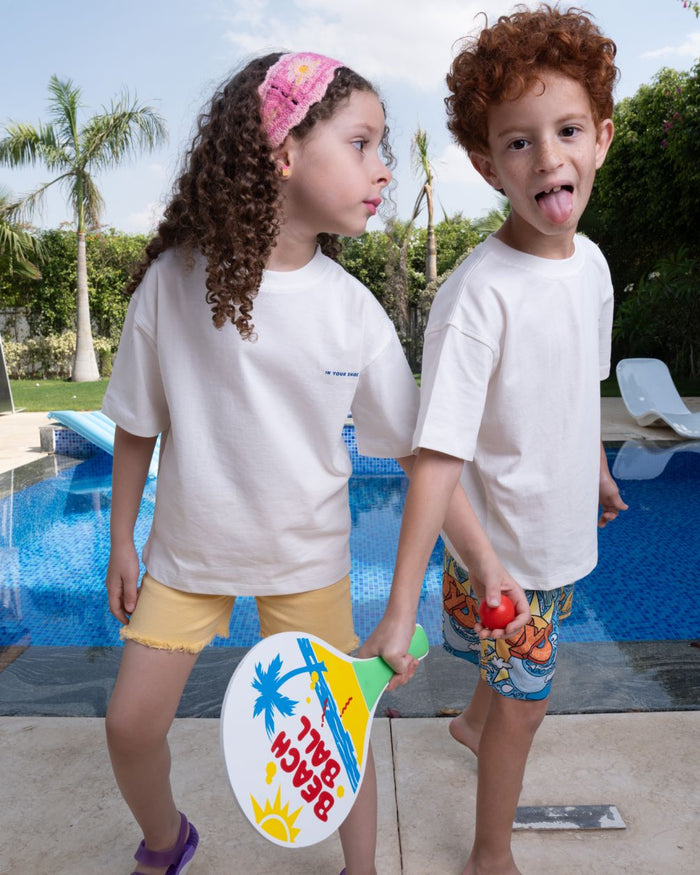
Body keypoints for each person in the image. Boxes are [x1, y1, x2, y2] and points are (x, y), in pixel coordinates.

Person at [102, 51, 420, 875]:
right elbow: (137, 422)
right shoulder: (173, 283)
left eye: (382, 147)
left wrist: (465, 563)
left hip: (307, 559)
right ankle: (167, 840)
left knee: (337, 739)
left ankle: (361, 869)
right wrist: (122, 538)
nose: (384, 169)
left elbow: (417, 453)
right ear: (284, 151)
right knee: (129, 727)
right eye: (362, 143)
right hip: (187, 556)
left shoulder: (354, 311)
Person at [360, 6, 629, 874]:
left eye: (568, 130)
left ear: (602, 139)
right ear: (486, 164)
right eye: (519, 141)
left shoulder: (592, 267)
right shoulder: (477, 297)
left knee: (508, 682)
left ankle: (474, 723)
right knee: (529, 703)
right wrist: (400, 602)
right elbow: (435, 454)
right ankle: (489, 853)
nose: (548, 156)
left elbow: (583, 383)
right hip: (500, 548)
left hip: (557, 535)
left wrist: (595, 467)